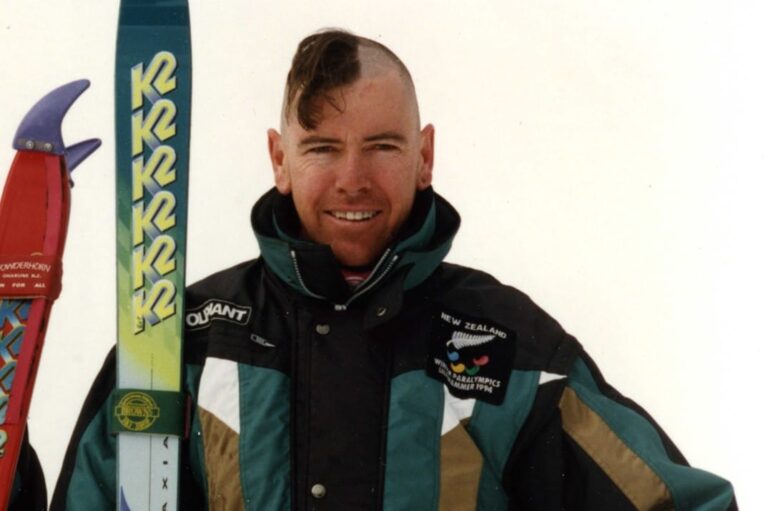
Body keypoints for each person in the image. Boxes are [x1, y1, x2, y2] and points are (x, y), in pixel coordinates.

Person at [45, 29, 735, 510]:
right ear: (278, 159)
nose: (353, 179)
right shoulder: (186, 342)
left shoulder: (509, 349)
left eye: (381, 145)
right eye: (321, 147)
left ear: (424, 154)